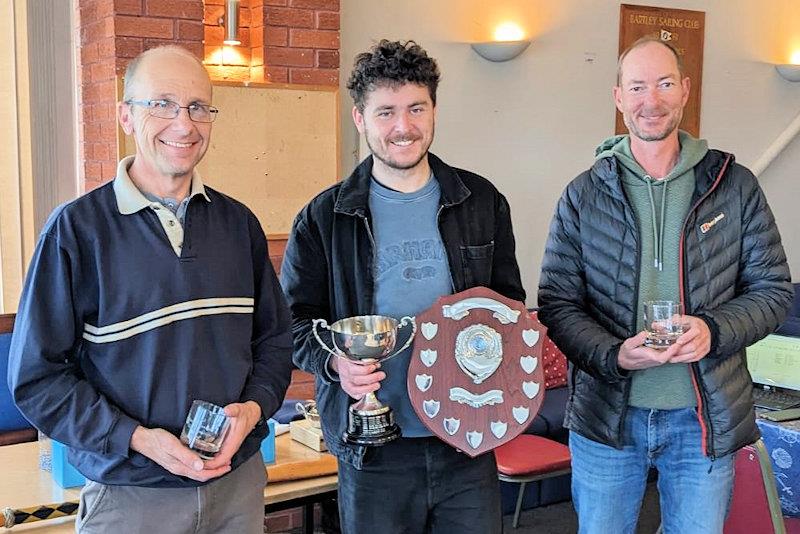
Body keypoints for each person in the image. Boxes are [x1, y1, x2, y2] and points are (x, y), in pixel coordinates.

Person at [7, 45, 293, 534]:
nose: (183, 124)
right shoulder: (76, 231)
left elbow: (273, 342)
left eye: (198, 107)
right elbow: (37, 379)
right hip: (130, 497)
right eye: (161, 104)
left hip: (237, 488)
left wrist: (252, 409)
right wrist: (137, 438)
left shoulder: (239, 224)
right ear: (125, 116)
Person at [538, 36, 795, 534]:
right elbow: (557, 303)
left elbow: (773, 291)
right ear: (618, 98)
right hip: (606, 420)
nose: (650, 101)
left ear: (685, 91)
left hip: (702, 422)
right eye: (637, 87)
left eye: (663, 84)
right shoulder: (583, 194)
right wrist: (614, 354)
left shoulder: (734, 185)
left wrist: (712, 330)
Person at [281, 40, 525, 534]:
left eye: (416, 108)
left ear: (434, 110)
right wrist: (335, 363)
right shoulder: (324, 218)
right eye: (386, 111)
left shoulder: (481, 201)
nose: (403, 126)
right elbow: (291, 323)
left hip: (466, 437)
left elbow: (510, 307)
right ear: (360, 118)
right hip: (373, 450)